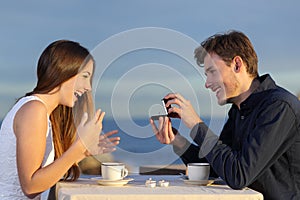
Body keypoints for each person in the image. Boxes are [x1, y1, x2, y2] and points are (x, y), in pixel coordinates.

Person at [150, 30, 300, 200]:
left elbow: (239, 175)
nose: (207, 84)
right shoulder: (238, 111)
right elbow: (216, 168)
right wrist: (178, 141)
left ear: (237, 65)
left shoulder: (279, 106)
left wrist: (197, 125)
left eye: (212, 72)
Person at [0, 40, 120, 199]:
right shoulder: (34, 110)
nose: (88, 87)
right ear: (64, 71)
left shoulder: (39, 111)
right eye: (85, 76)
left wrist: (82, 153)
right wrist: (79, 146)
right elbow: (30, 187)